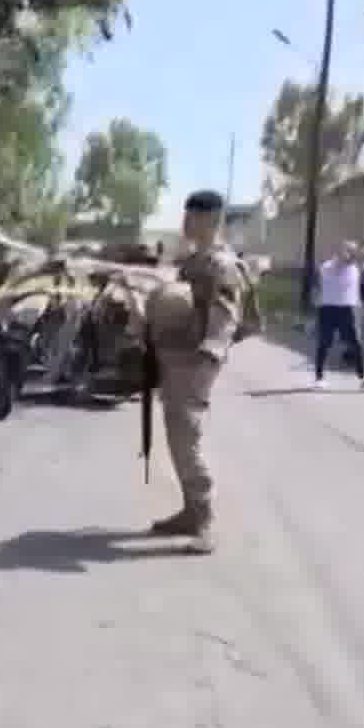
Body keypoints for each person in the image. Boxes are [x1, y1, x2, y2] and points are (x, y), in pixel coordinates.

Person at [147, 189, 247, 554]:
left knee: (186, 435)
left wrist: (208, 356)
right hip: (178, 355)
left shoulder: (221, 265)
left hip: (198, 359)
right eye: (185, 216)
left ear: (212, 220)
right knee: (175, 431)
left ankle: (203, 517)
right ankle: (190, 511)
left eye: (192, 217)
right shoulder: (194, 261)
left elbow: (226, 315)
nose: (185, 223)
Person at [311, 240, 364, 390]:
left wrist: (358, 306)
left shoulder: (355, 269)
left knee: (355, 343)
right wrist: (353, 255)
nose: (351, 254)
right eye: (348, 250)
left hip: (347, 310)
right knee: (325, 343)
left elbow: (354, 289)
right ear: (339, 252)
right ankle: (319, 378)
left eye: (353, 251)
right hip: (329, 309)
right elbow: (343, 262)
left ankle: (363, 377)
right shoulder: (329, 266)